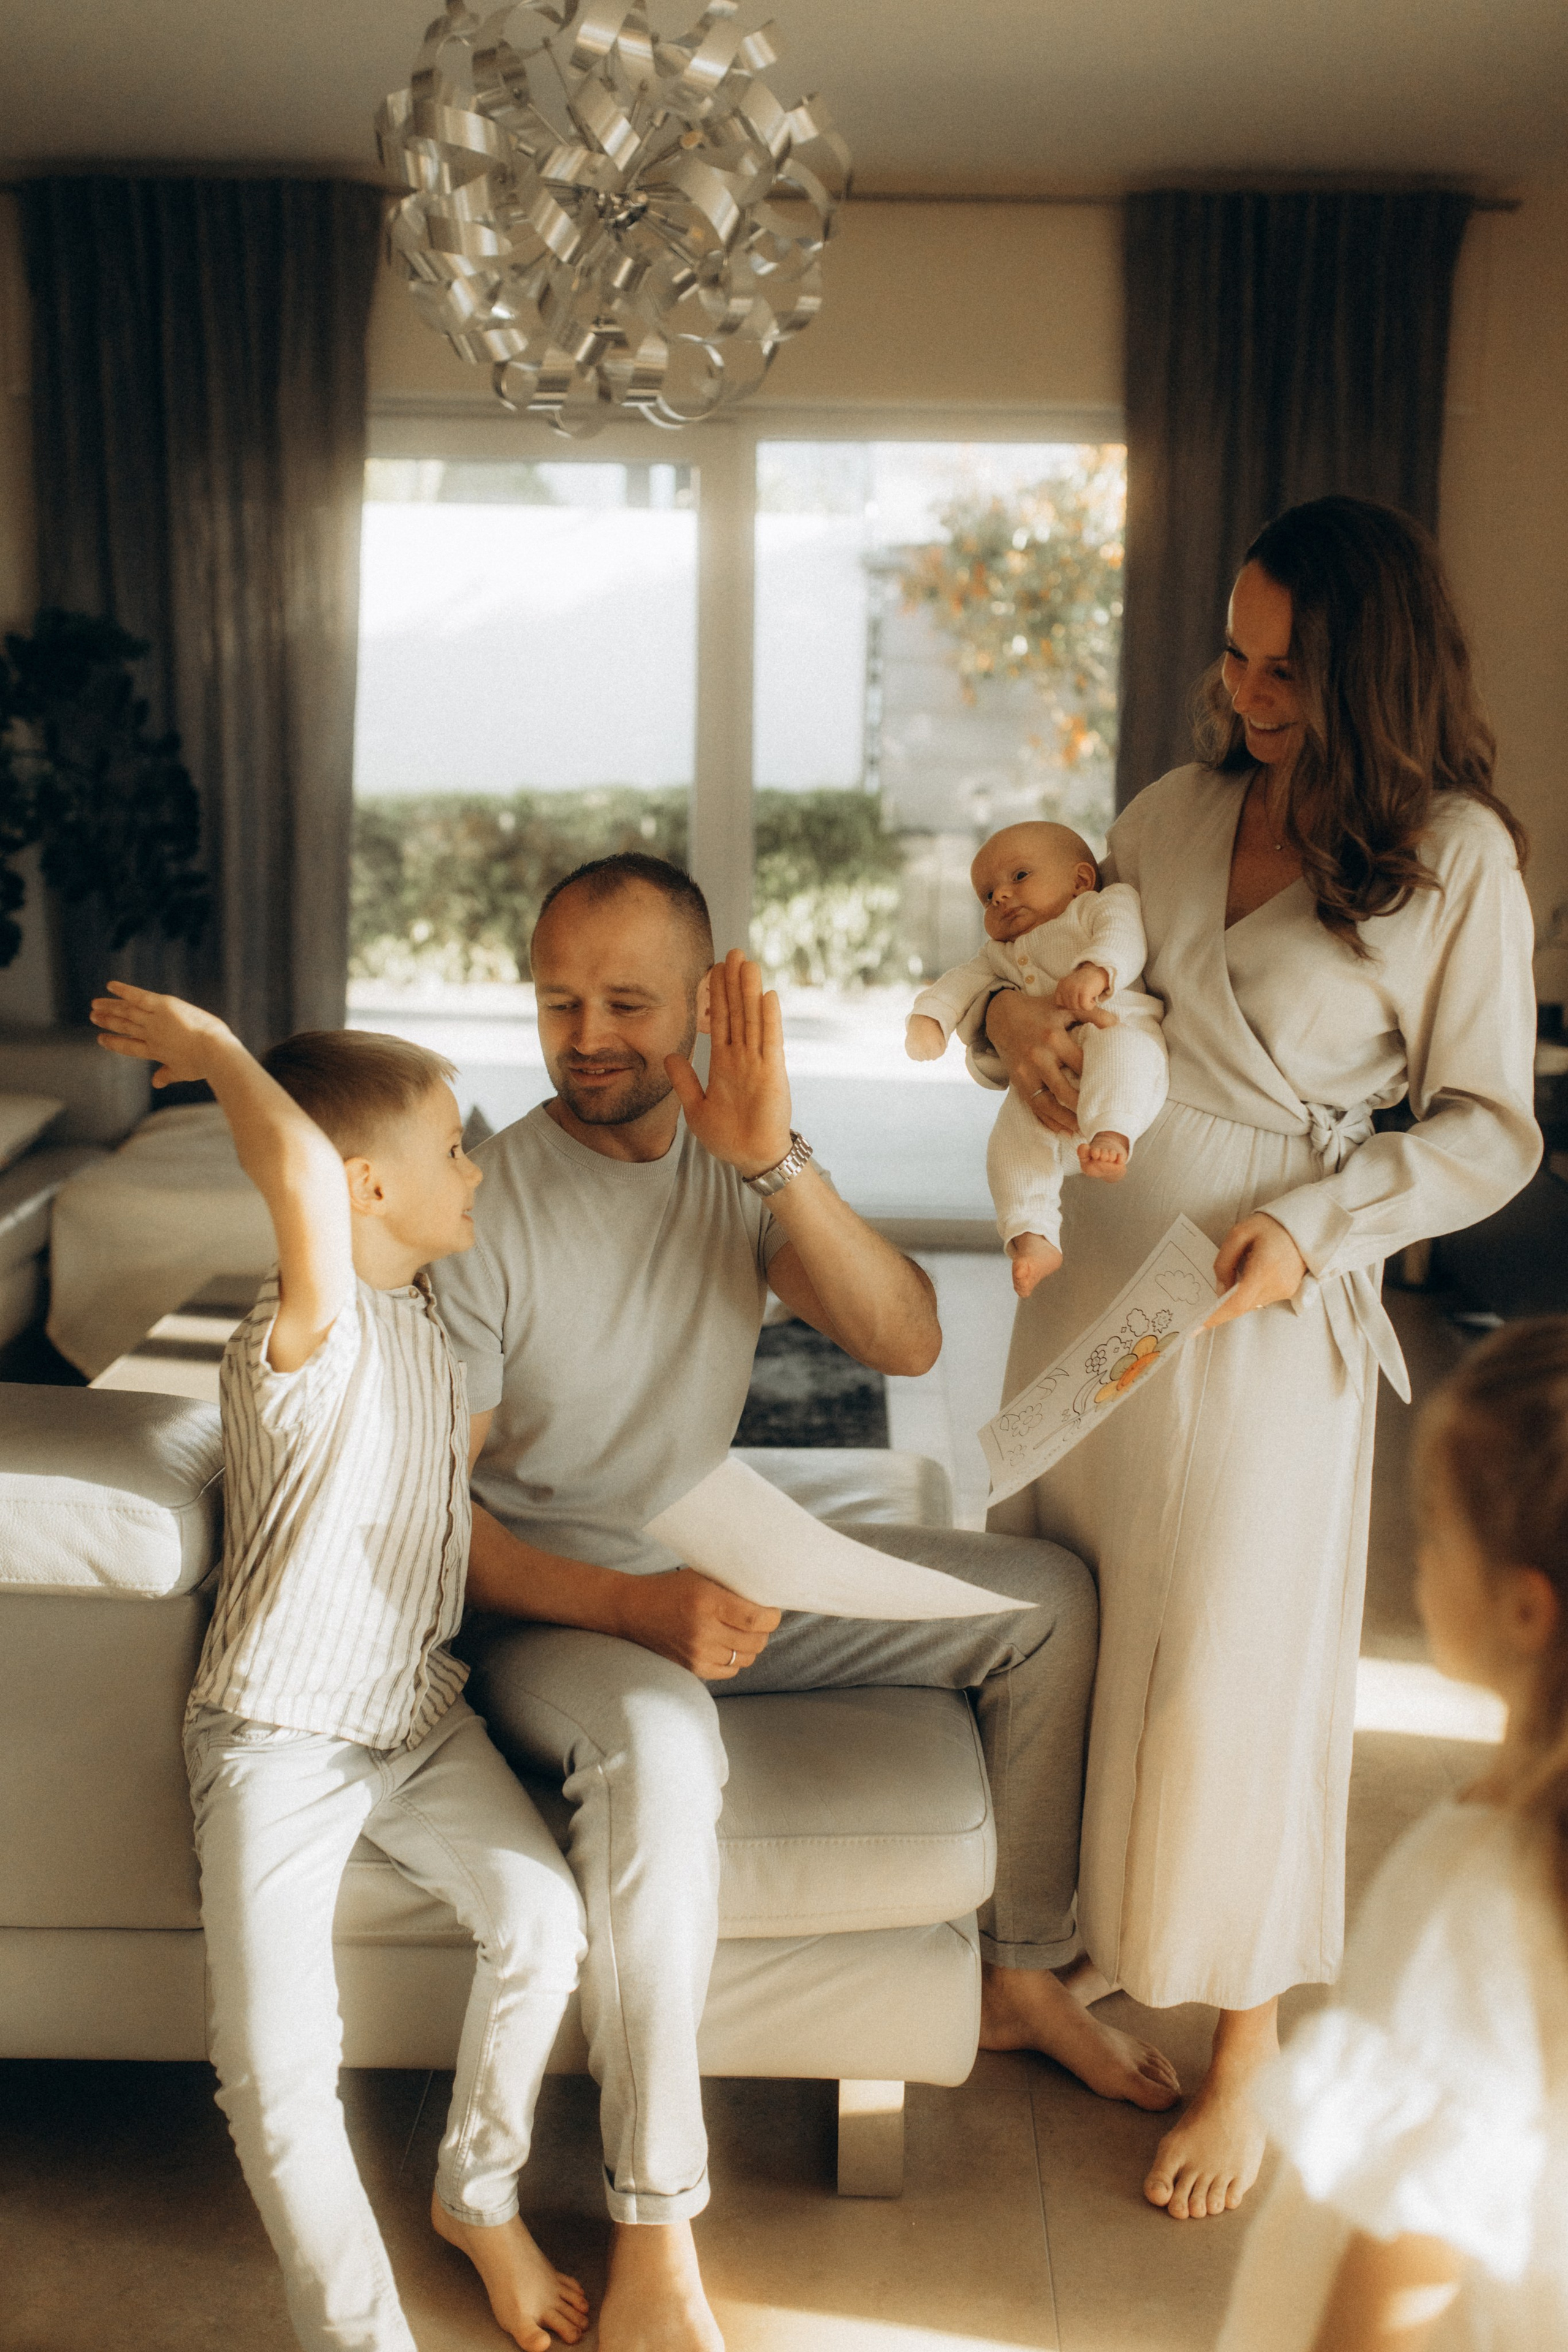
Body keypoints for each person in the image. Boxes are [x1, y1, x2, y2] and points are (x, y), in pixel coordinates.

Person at [430, 850, 1180, 2352]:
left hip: (715, 1552)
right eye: (557, 999)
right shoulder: (487, 1199)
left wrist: (776, 1163)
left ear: (705, 1007)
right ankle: (656, 2232)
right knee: (658, 1753)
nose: (585, 1034)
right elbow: (428, 1532)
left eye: (626, 1001)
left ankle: (1018, 1973)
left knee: (1045, 1602)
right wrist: (636, 1614)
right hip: (551, 1607)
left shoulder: (731, 1154)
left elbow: (904, 1336)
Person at [976, 496, 1540, 2220]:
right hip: (1091, 1276)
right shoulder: (1172, 807)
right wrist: (1018, 1036)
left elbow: (1492, 1126)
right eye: (1233, 649)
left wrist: (1322, 1225)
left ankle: (1244, 2045)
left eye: (1282, 664)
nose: (1241, 685)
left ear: (1369, 670)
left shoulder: (1457, 861)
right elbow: (1057, 974)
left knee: (1232, 1666)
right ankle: (1037, 1966)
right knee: (1058, 1621)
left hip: (1260, 1292)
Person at [89, 984, 590, 2352]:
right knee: (274, 2070)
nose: (474, 1166)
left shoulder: (428, 1326)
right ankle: (359, 2338)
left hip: (416, 1722)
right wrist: (213, 1053)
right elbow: (297, 1168)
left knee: (542, 1921)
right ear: (363, 1184)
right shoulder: (307, 1328)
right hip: (279, 1735)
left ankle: (474, 2194)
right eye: (452, 1148)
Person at [1218, 1317, 1568, 2351]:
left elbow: (1406, 2260)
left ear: (1524, 1612)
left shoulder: (1474, 1888)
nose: (1415, 1552)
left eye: (1434, 1527)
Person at [905, 820, 1168, 1295]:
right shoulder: (998, 953)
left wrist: (1097, 970)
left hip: (1113, 1029)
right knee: (1009, 1141)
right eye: (987, 896)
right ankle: (1033, 1233)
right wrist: (931, 1019)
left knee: (1124, 1052)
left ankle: (1113, 1132)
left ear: (1081, 880)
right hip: (1047, 1087)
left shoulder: (1100, 906)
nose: (1000, 897)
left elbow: (1122, 935)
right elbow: (961, 983)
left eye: (1019, 877)